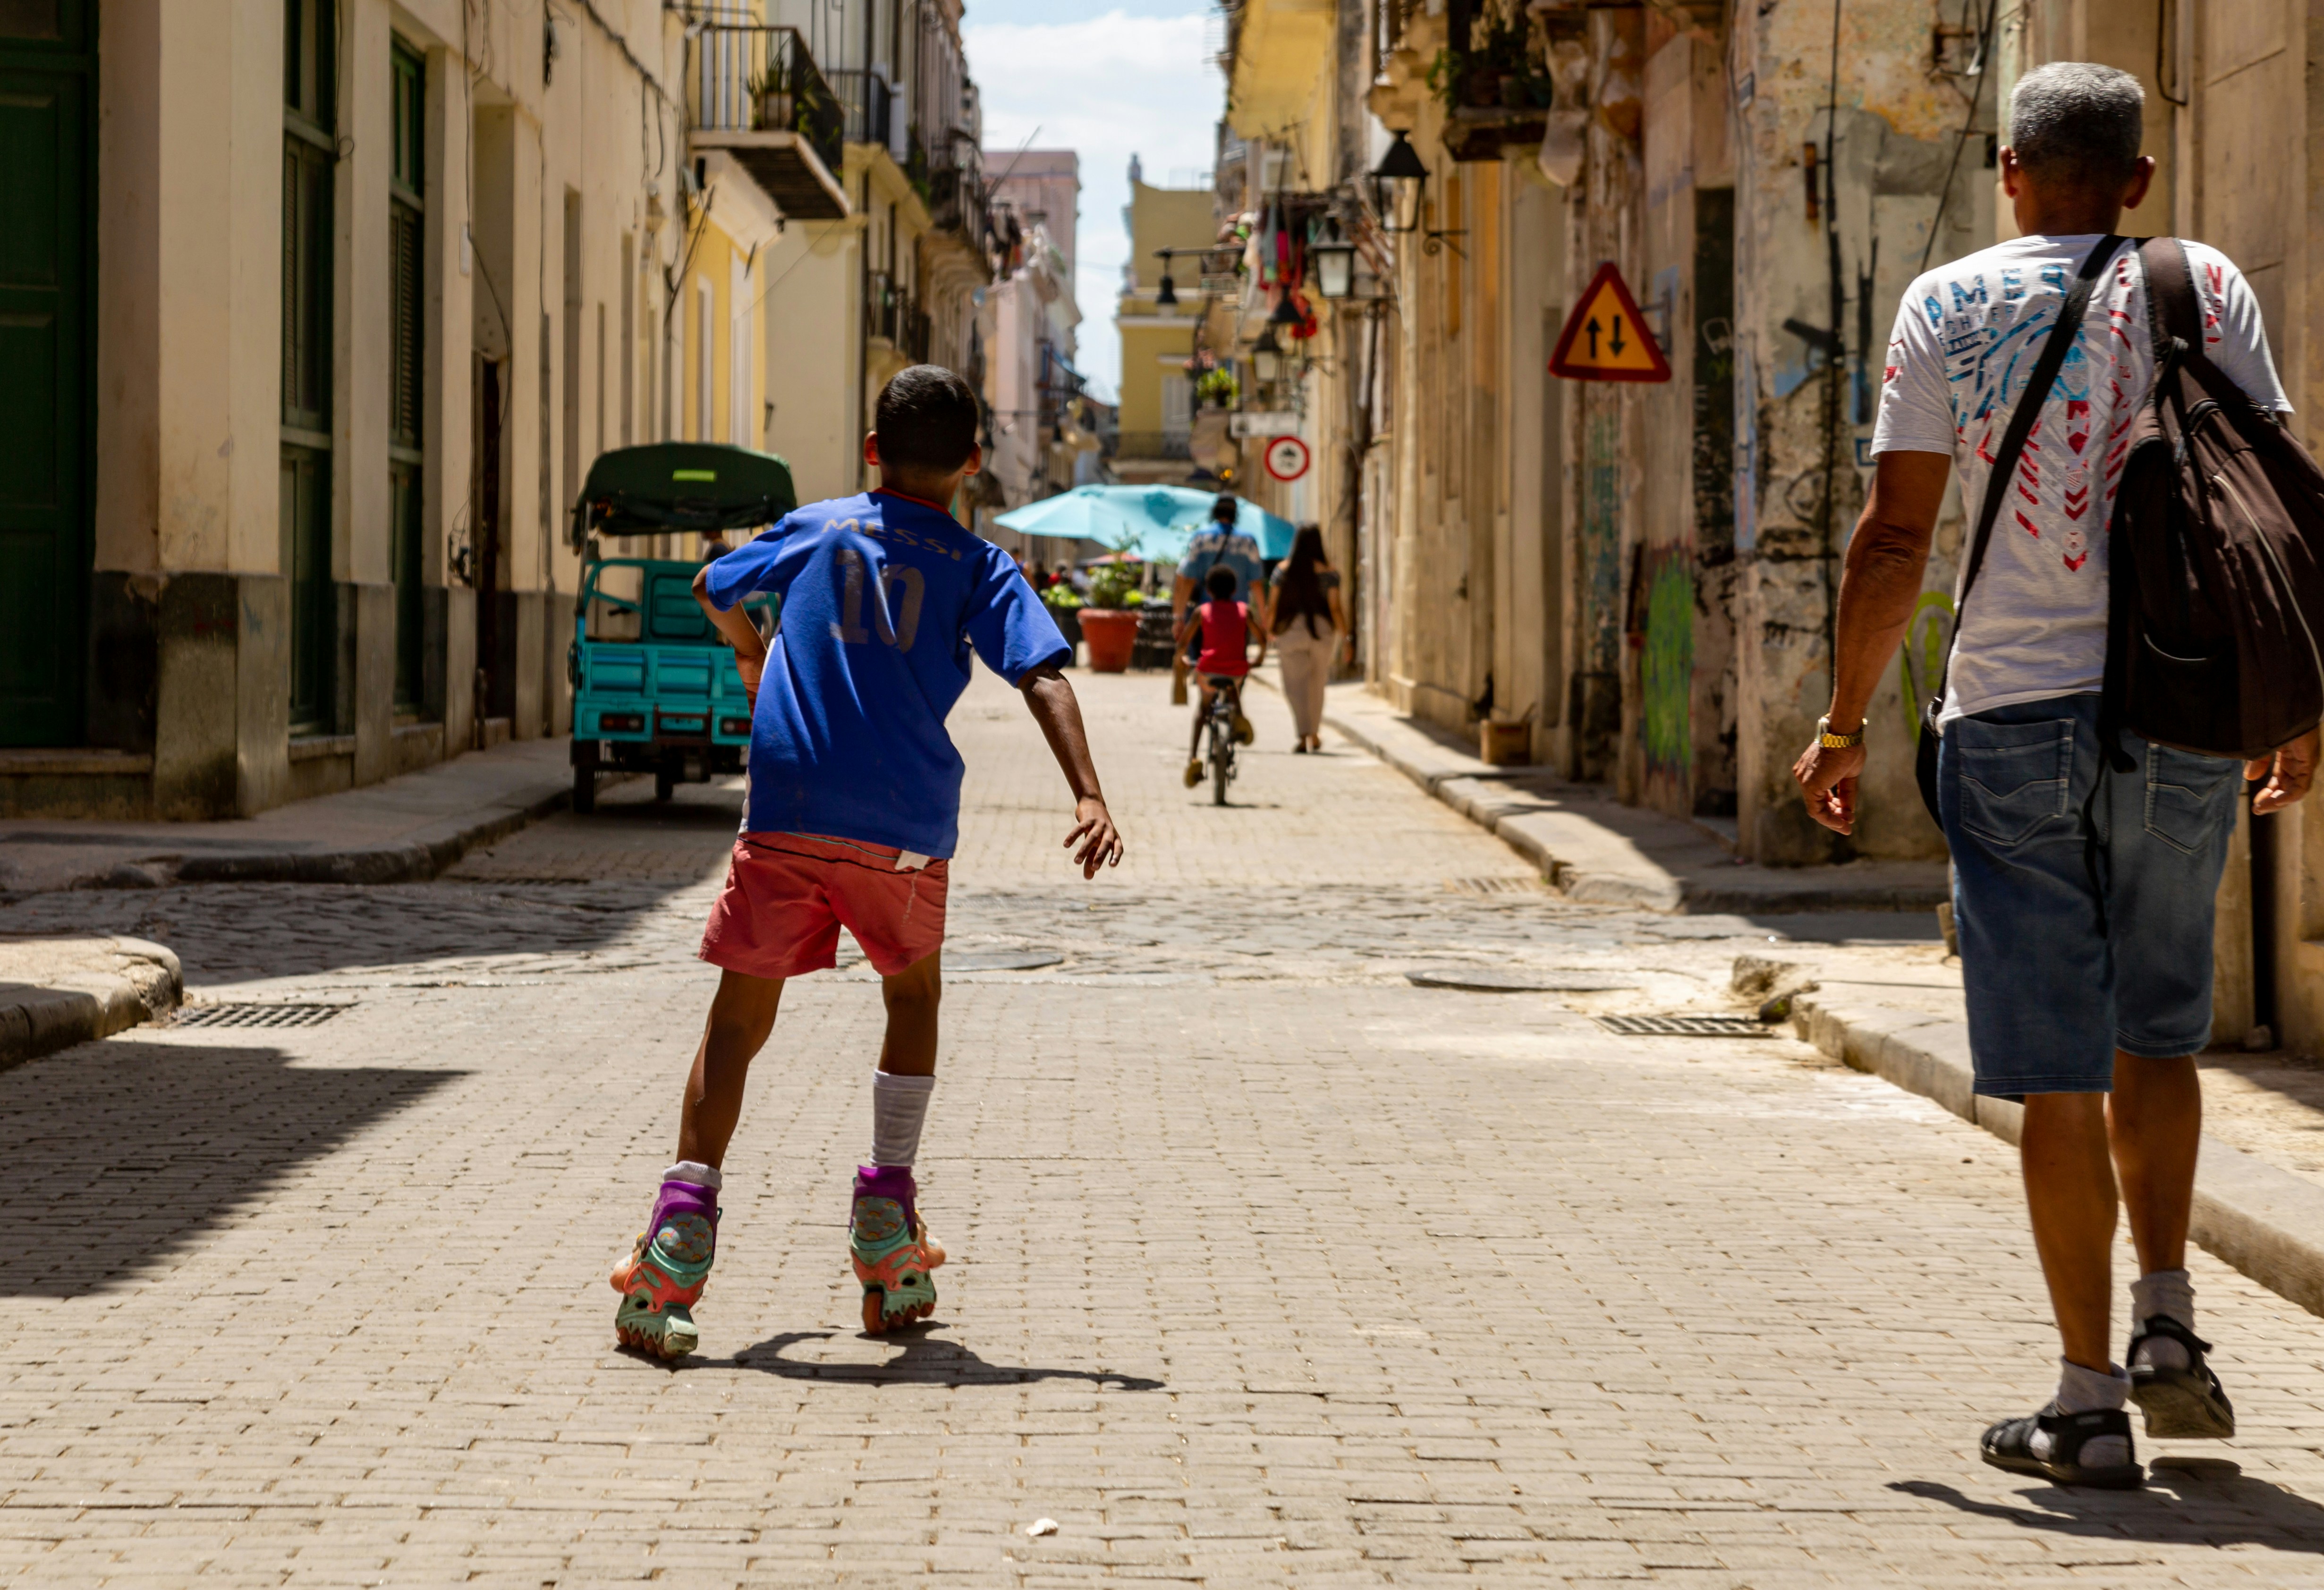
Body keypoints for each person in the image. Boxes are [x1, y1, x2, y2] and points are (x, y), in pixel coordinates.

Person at [1794, 62, 2317, 1489]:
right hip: (2179, 708)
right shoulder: (2200, 283)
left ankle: (2082, 1402)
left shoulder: (1942, 304)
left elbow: (1892, 537)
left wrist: (1841, 721)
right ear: (2135, 182)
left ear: (2009, 172)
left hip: (2012, 715)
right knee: (2157, 1035)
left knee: (2053, 1074)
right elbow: (2267, 495)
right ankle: (2166, 1321)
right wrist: (2292, 702)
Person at [609, 364, 1125, 1358]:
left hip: (791, 805)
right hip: (903, 825)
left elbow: (713, 585)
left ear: (870, 450)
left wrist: (753, 652)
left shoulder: (818, 524)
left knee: (740, 1015)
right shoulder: (980, 564)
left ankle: (674, 1252)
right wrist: (1088, 791)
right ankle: (887, 1230)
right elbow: (1044, 674)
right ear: (974, 463)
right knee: (912, 997)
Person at [1172, 494, 1268, 704]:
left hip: (1206, 618)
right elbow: (1257, 584)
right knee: (1238, 662)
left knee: (1203, 664)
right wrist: (1264, 617)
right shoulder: (1248, 542)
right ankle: (1234, 706)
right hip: (1238, 619)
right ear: (1235, 514)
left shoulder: (1200, 539)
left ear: (1215, 513)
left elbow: (1187, 580)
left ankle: (1206, 703)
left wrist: (1178, 617)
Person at [1177, 562, 1264, 787]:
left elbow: (1183, 643)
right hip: (1236, 671)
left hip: (1208, 671)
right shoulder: (1245, 611)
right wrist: (1260, 659)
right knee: (1234, 686)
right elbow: (1262, 638)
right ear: (1235, 590)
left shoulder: (1201, 612)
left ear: (1209, 590)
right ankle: (1239, 719)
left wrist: (1184, 659)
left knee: (1203, 710)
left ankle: (1194, 758)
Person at [1269, 524, 1350, 753]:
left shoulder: (1282, 571)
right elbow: (1335, 608)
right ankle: (1314, 734)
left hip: (1291, 631)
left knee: (1295, 686)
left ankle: (1303, 734)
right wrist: (1346, 638)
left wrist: (1269, 632)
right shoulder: (1330, 573)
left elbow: (1273, 605)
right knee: (1317, 684)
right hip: (1322, 632)